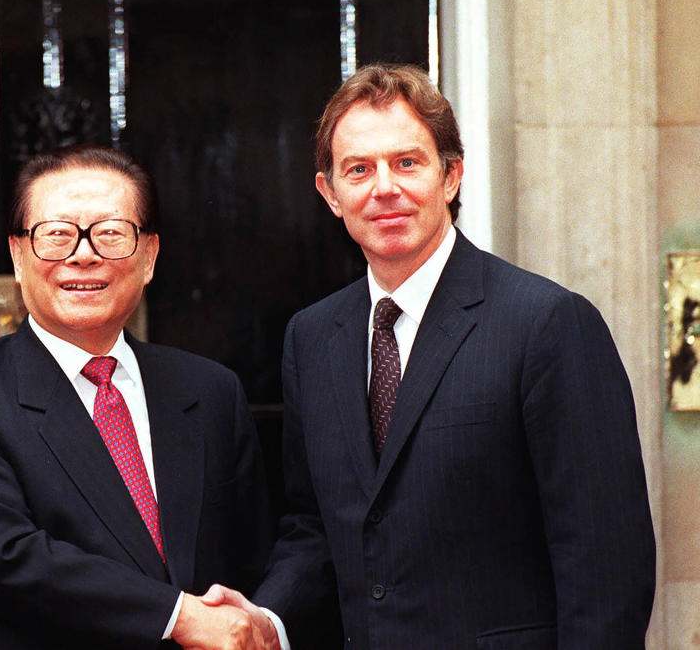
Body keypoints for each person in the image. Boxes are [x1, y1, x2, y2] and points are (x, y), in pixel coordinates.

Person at [206, 63, 656, 649]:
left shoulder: (547, 324)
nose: (384, 187)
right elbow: (317, 528)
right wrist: (269, 621)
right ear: (330, 194)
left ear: (451, 176)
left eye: (407, 162)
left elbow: (605, 566)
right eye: (359, 169)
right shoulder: (312, 338)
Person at [0, 145, 276, 649]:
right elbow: (8, 559)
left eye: (110, 233)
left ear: (149, 256)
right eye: (56, 234)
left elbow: (251, 561)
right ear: (17, 255)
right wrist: (179, 617)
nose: (83, 254)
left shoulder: (210, 391)